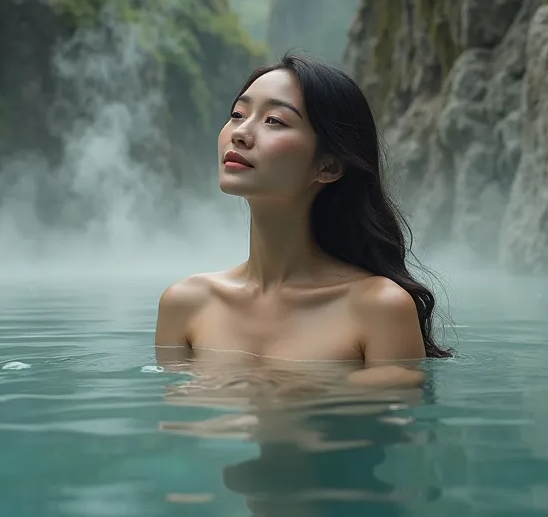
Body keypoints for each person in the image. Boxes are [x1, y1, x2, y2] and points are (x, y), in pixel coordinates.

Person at [155, 53, 450, 385]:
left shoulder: (379, 309)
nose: (240, 133)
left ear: (327, 166)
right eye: (237, 114)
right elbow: (173, 429)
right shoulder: (185, 303)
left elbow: (388, 431)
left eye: (274, 121)